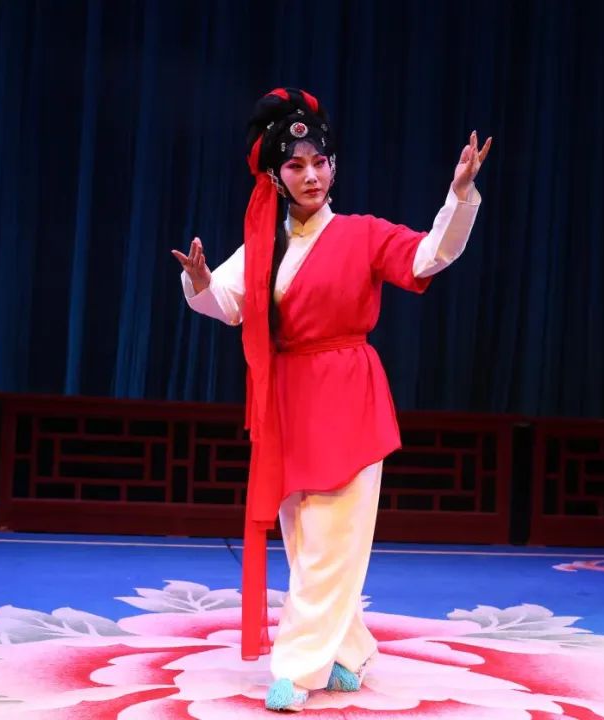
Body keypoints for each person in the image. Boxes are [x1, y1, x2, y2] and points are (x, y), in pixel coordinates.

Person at [172, 87, 491, 712]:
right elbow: (229, 306)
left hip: (346, 395)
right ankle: (349, 649)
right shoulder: (264, 247)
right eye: (296, 166)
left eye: (320, 162)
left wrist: (459, 196)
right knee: (307, 542)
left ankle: (296, 668)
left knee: (329, 542)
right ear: (276, 177)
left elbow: (430, 255)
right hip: (286, 401)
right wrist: (201, 282)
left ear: (334, 166)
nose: (311, 175)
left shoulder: (363, 234)